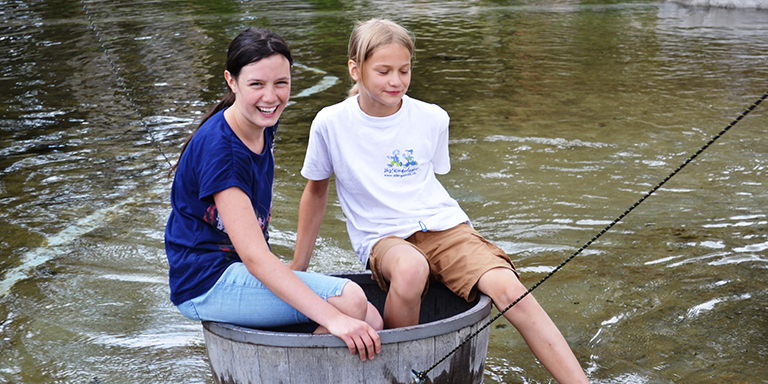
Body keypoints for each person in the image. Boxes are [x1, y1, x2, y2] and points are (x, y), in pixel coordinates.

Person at [293, 19, 589, 382]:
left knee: (510, 288)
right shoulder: (330, 123)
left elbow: (429, 182)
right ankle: (397, 374)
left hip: (445, 227)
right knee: (411, 269)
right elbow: (316, 190)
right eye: (383, 71)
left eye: (404, 70)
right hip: (384, 237)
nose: (396, 81)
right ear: (355, 68)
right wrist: (298, 267)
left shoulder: (432, 117)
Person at [164, 27, 382, 362]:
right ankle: (289, 371)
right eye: (256, 85)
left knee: (372, 319)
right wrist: (334, 319)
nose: (271, 97)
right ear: (231, 81)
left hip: (238, 270)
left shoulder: (262, 121)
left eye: (281, 83)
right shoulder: (222, 153)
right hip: (206, 282)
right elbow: (255, 258)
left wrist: (299, 267)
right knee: (350, 303)